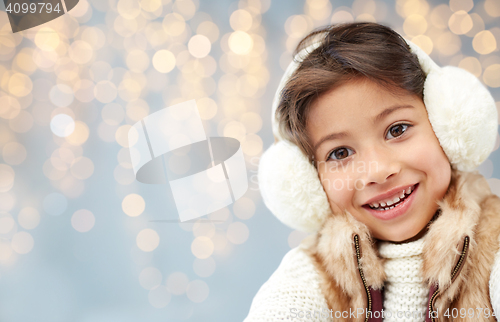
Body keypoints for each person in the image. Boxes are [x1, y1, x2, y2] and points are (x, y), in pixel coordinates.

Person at [245, 22, 500, 322]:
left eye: (397, 129)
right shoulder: (310, 276)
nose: (377, 172)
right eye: (340, 153)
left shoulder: (493, 243)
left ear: (445, 124)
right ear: (310, 181)